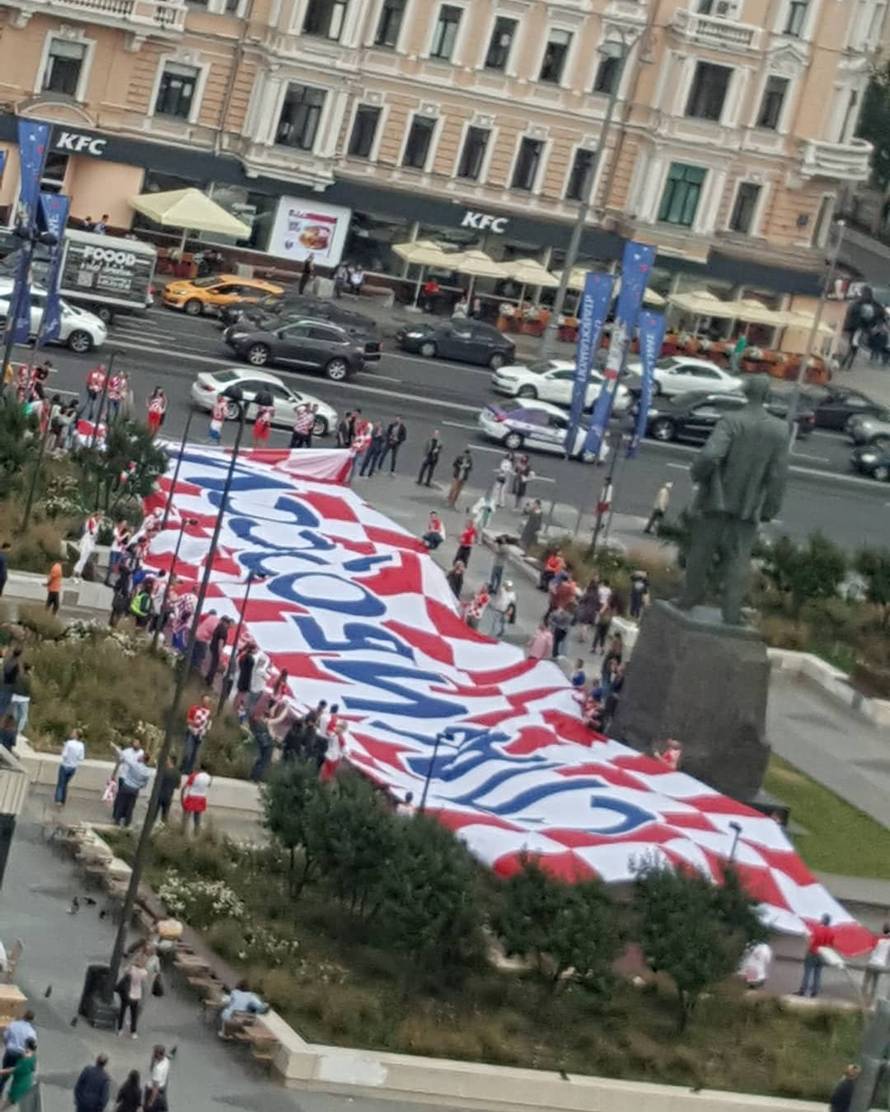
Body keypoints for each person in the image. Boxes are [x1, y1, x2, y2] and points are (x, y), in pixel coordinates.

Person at [797, 913, 835, 998]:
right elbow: (831, 945)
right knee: (818, 974)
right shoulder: (831, 932)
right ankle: (814, 992)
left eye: (822, 918)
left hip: (812, 952)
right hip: (822, 955)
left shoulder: (817, 929)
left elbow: (812, 940)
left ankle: (803, 991)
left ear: (824, 920)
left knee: (807, 972)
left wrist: (806, 940)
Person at [0, 1013, 35, 1099]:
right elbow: (32, 1046)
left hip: (10, 1052)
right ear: (31, 1020)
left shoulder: (13, 1024)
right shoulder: (31, 1031)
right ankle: (11, 1093)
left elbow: (5, 1036)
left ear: (23, 1016)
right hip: (20, 1055)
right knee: (16, 1073)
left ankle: (0, 1090)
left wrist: (8, 1045)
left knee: (5, 1074)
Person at [113, 749, 151, 828]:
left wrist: (116, 748)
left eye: (141, 756)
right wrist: (138, 785)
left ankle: (117, 820)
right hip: (135, 790)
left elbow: (124, 757)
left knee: (121, 803)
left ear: (143, 759)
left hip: (126, 786)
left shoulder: (135, 764)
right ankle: (127, 822)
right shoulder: (147, 771)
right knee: (130, 806)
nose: (139, 757)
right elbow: (144, 784)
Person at [116, 952, 149, 1038]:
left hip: (126, 992)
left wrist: (131, 963)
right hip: (136, 994)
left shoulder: (131, 969)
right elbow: (144, 980)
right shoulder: (144, 972)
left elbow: (125, 971)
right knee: (134, 1014)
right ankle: (133, 1031)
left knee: (122, 1011)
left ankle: (120, 1029)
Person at [0, 1037, 36, 1110]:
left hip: (18, 1087)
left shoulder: (24, 1061)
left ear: (26, 1045)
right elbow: (33, 1069)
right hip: (27, 1083)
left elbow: (12, 1070)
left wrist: (1, 1071)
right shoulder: (33, 1057)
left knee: (4, 1106)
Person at [182, 694, 212, 773]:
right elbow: (188, 720)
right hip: (192, 732)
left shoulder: (209, 713)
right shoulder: (194, 708)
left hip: (200, 735)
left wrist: (206, 731)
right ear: (201, 700)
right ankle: (183, 768)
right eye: (204, 700)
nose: (205, 702)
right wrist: (194, 723)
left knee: (195, 754)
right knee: (188, 751)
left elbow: (209, 724)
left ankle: (189, 770)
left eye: (207, 701)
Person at [56, 728, 86, 807]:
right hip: (73, 767)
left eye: (73, 732)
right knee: (65, 784)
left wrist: (62, 749)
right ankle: (63, 800)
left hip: (65, 765)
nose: (71, 733)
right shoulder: (81, 745)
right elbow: (81, 758)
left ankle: (58, 800)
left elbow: (64, 755)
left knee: (60, 784)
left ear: (76, 735)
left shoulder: (69, 743)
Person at [862, 922, 890, 1003]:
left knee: (866, 982)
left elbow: (870, 949)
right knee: (875, 984)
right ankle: (870, 1001)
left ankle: (863, 999)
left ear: (883, 929)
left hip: (872, 963)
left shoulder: (877, 938)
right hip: (881, 965)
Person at [181, 765, 211, 834]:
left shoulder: (194, 776)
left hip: (192, 797)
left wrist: (182, 800)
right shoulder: (209, 778)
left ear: (200, 768)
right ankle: (196, 833)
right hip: (201, 798)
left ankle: (183, 832)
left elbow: (185, 787)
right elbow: (208, 786)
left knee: (186, 816)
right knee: (197, 818)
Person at [249, 711, 275, 782]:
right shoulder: (266, 724)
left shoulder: (258, 723)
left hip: (260, 744)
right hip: (266, 745)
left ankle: (252, 776)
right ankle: (256, 778)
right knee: (263, 762)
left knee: (259, 761)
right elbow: (271, 736)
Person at [74, 513, 101, 581]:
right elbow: (91, 531)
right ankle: (76, 571)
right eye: (98, 517)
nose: (99, 518)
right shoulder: (91, 521)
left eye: (100, 517)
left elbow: (95, 533)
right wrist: (95, 534)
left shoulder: (97, 523)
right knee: (82, 556)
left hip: (90, 542)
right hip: (87, 541)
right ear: (95, 516)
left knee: (85, 558)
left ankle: (78, 572)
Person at [156, 755, 181, 827]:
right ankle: (162, 827)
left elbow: (157, 781)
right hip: (169, 796)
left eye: (167, 759)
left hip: (159, 794)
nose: (166, 761)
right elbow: (178, 786)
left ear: (171, 761)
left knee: (153, 813)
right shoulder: (177, 773)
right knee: (165, 814)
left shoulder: (163, 770)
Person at [143, 1046, 170, 1112]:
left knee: (149, 1109)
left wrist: (150, 1102)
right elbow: (151, 1069)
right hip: (162, 1088)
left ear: (158, 1054)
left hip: (153, 1091)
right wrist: (152, 1061)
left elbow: (155, 1087)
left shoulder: (158, 1069)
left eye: (154, 1053)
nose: (153, 1054)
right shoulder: (166, 1060)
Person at [9, 663, 31, 739]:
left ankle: (12, 729)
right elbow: (29, 688)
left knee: (15, 715)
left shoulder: (17, 675)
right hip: (24, 698)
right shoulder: (28, 677)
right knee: (23, 716)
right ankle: (18, 731)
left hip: (15, 697)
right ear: (29, 669)